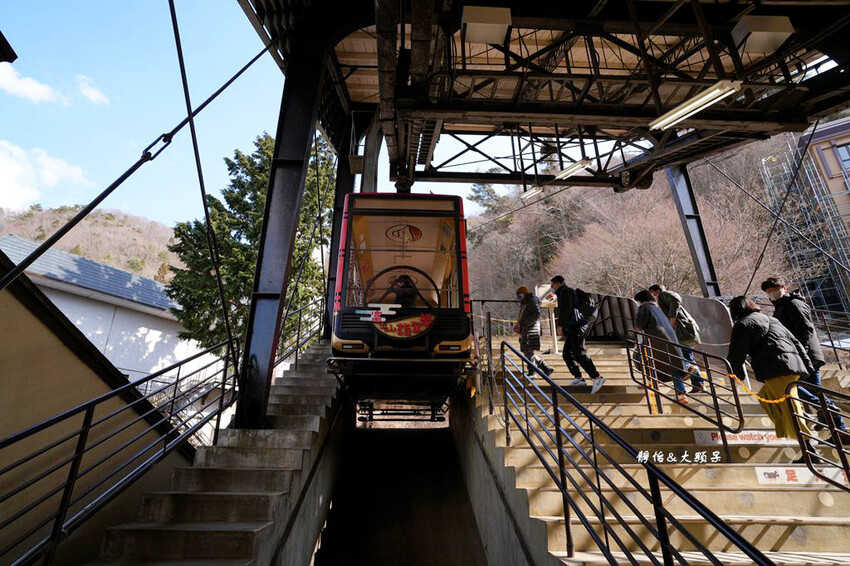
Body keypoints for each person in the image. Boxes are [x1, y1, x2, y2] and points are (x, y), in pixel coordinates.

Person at [726, 296, 819, 463]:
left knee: (790, 408)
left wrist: (735, 375)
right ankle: (795, 429)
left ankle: (809, 450)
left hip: (776, 369)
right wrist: (807, 366)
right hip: (790, 366)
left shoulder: (743, 325)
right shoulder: (771, 320)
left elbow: (736, 354)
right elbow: (796, 342)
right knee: (767, 398)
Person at [761, 277, 847, 435]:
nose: (772, 293)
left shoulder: (793, 304)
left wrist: (800, 352)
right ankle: (837, 426)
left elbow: (805, 329)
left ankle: (827, 410)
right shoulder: (780, 307)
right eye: (769, 291)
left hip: (805, 355)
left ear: (785, 287)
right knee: (813, 390)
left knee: (794, 386)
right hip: (801, 355)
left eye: (775, 289)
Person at [634, 290, 699, 404]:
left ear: (640, 300)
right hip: (670, 337)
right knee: (672, 365)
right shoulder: (657, 308)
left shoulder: (644, 308)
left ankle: (651, 381)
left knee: (638, 356)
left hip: (656, 340)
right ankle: (681, 394)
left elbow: (639, 325)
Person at [550, 275, 605, 393]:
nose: (552, 287)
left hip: (577, 326)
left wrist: (560, 325)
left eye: (552, 285)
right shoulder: (566, 291)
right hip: (574, 326)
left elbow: (566, 309)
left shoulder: (564, 291)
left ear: (558, 283)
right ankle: (578, 378)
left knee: (579, 352)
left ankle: (596, 377)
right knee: (567, 354)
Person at [648, 284, 704, 393]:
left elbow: (675, 299)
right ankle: (698, 384)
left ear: (656, 291)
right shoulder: (664, 297)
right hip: (687, 332)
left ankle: (682, 387)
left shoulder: (663, 294)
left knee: (675, 359)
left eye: (653, 293)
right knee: (689, 358)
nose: (653, 295)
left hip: (680, 333)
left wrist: (671, 321)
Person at [514, 286, 555, 376]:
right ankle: (545, 368)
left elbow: (536, 314)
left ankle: (532, 370)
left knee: (528, 350)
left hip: (530, 329)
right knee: (527, 351)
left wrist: (525, 323)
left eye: (520, 295)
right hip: (527, 329)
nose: (519, 298)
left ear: (525, 293)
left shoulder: (530, 300)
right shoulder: (525, 302)